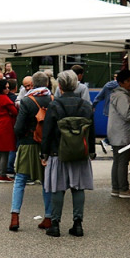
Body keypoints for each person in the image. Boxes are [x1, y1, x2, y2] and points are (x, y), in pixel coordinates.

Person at [41, 70, 95, 237]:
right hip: (79, 152)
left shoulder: (54, 105)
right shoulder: (86, 105)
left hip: (58, 152)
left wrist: (44, 153)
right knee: (78, 188)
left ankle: (55, 225)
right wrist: (91, 150)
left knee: (58, 188)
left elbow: (47, 131)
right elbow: (91, 130)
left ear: (61, 86)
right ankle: (77, 224)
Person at [9, 71, 53, 231]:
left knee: (20, 180)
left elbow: (18, 128)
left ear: (32, 85)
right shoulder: (53, 99)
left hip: (27, 144)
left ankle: (15, 216)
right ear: (47, 84)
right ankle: (48, 217)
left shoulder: (27, 101)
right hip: (46, 146)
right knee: (46, 183)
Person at [106, 69, 130, 199]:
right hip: (121, 133)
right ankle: (123, 189)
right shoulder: (122, 96)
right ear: (121, 82)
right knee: (122, 161)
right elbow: (127, 115)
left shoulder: (118, 94)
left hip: (117, 133)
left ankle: (116, 188)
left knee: (117, 160)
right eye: (127, 81)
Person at [0, 79, 17, 183]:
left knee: (1, 152)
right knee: (5, 151)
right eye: (5, 87)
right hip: (6, 125)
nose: (7, 89)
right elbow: (14, 111)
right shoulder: (4, 98)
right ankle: (2, 174)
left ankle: (1, 173)